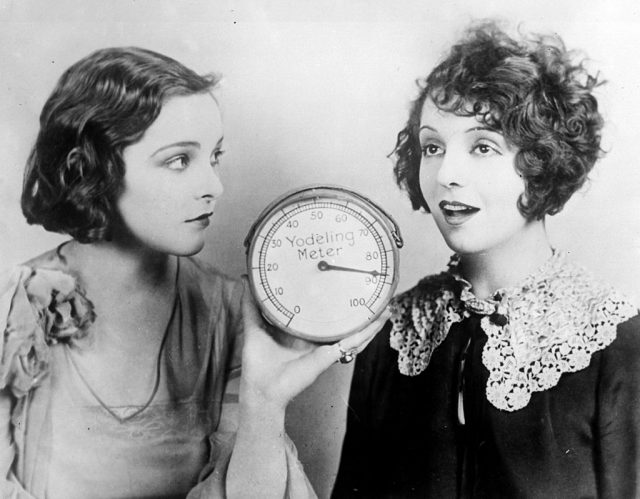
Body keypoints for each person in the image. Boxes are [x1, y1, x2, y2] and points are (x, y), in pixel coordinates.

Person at [0, 46, 384, 499]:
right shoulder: (15, 304)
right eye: (179, 160)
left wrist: (264, 403)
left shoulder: (230, 309)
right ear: (91, 169)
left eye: (214, 157)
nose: (213, 187)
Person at [332, 21, 640, 498]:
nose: (447, 174)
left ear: (542, 162)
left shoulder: (619, 348)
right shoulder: (392, 332)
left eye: (482, 146)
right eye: (432, 147)